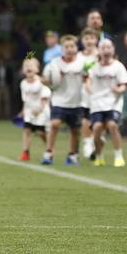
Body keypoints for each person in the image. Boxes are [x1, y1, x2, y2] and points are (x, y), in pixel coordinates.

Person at [87, 39, 127, 167]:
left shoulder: (118, 66)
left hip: (113, 102)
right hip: (97, 103)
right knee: (96, 128)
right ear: (99, 51)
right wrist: (89, 89)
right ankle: (99, 155)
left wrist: (118, 89)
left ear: (113, 50)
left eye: (108, 47)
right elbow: (88, 81)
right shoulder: (94, 67)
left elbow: (123, 85)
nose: (106, 50)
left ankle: (118, 156)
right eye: (103, 48)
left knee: (112, 125)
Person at [42, 34, 84, 165]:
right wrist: (50, 81)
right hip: (59, 100)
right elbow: (45, 80)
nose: (69, 49)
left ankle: (72, 155)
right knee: (54, 124)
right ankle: (48, 153)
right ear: (62, 48)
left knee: (75, 130)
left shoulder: (82, 62)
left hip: (77, 102)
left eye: (72, 46)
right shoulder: (54, 64)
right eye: (66, 46)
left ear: (76, 47)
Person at [18, 57, 51, 163]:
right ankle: (25, 152)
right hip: (29, 112)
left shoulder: (41, 82)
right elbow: (25, 99)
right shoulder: (23, 83)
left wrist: (40, 109)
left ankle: (49, 148)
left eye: (31, 65)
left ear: (37, 69)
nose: (28, 67)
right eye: (26, 66)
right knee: (27, 130)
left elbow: (45, 98)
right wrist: (23, 110)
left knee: (41, 133)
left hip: (41, 112)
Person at [79, 28, 100, 159]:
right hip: (84, 91)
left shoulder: (101, 55)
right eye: (86, 38)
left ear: (96, 40)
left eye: (92, 38)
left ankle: (95, 141)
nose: (89, 41)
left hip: (100, 90)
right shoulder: (79, 56)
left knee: (98, 118)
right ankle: (87, 143)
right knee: (86, 117)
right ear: (82, 41)